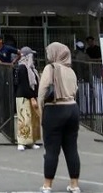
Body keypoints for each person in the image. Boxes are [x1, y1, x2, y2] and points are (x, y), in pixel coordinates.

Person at [39, 42, 81, 193]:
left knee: (51, 149)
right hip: (72, 108)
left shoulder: (50, 68)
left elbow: (43, 91)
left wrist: (41, 110)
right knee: (71, 148)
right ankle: (74, 184)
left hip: (55, 109)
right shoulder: (71, 71)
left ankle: (47, 185)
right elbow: (75, 90)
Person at [15, 46, 41, 151]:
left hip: (31, 96)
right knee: (24, 119)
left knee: (33, 119)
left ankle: (31, 141)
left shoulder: (31, 68)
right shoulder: (22, 67)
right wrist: (32, 97)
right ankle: (21, 141)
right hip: (24, 96)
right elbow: (24, 85)